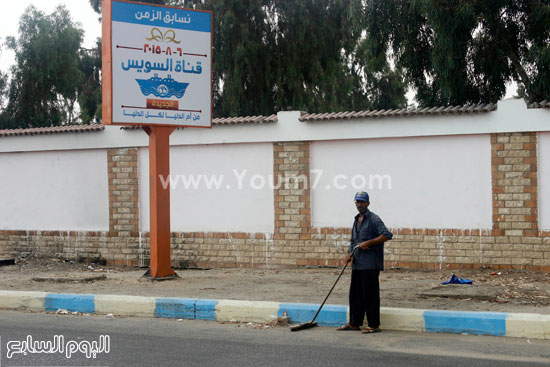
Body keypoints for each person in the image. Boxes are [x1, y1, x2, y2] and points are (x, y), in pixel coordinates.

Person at [337, 191, 393, 334]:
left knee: (370, 295)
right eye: (357, 202)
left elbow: (387, 235)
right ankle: (354, 323)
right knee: (355, 295)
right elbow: (353, 241)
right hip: (358, 264)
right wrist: (350, 254)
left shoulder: (374, 219)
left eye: (362, 202)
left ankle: (374, 325)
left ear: (368, 203)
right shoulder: (356, 220)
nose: (360, 204)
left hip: (370, 265)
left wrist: (370, 242)